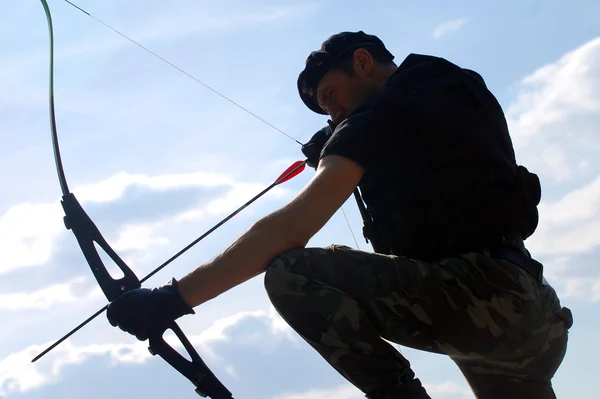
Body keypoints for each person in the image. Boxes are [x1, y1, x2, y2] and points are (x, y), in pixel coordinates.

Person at [106, 31, 573, 398]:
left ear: (363, 62)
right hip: (534, 318)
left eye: (330, 95)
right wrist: (347, 138)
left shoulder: (378, 116)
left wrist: (169, 301)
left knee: (292, 271)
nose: (331, 113)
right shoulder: (451, 86)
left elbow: (293, 227)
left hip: (482, 303)